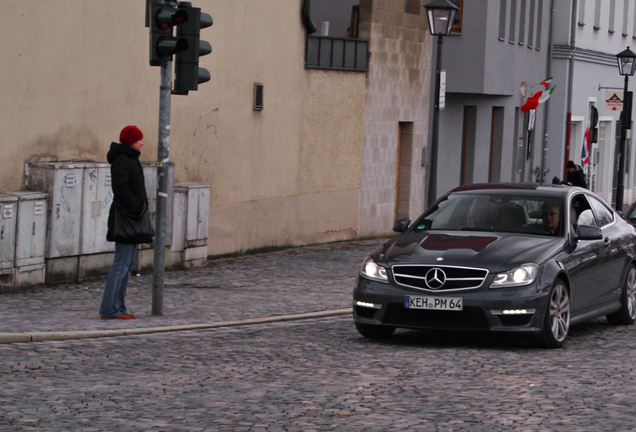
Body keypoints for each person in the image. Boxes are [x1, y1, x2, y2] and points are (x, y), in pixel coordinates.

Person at [99, 125, 148, 320]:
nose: (142, 142)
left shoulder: (131, 158)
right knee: (121, 264)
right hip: (126, 218)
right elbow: (120, 189)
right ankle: (110, 309)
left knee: (127, 264)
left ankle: (119, 306)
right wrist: (136, 207)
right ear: (131, 141)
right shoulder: (122, 160)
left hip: (132, 217)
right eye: (139, 139)